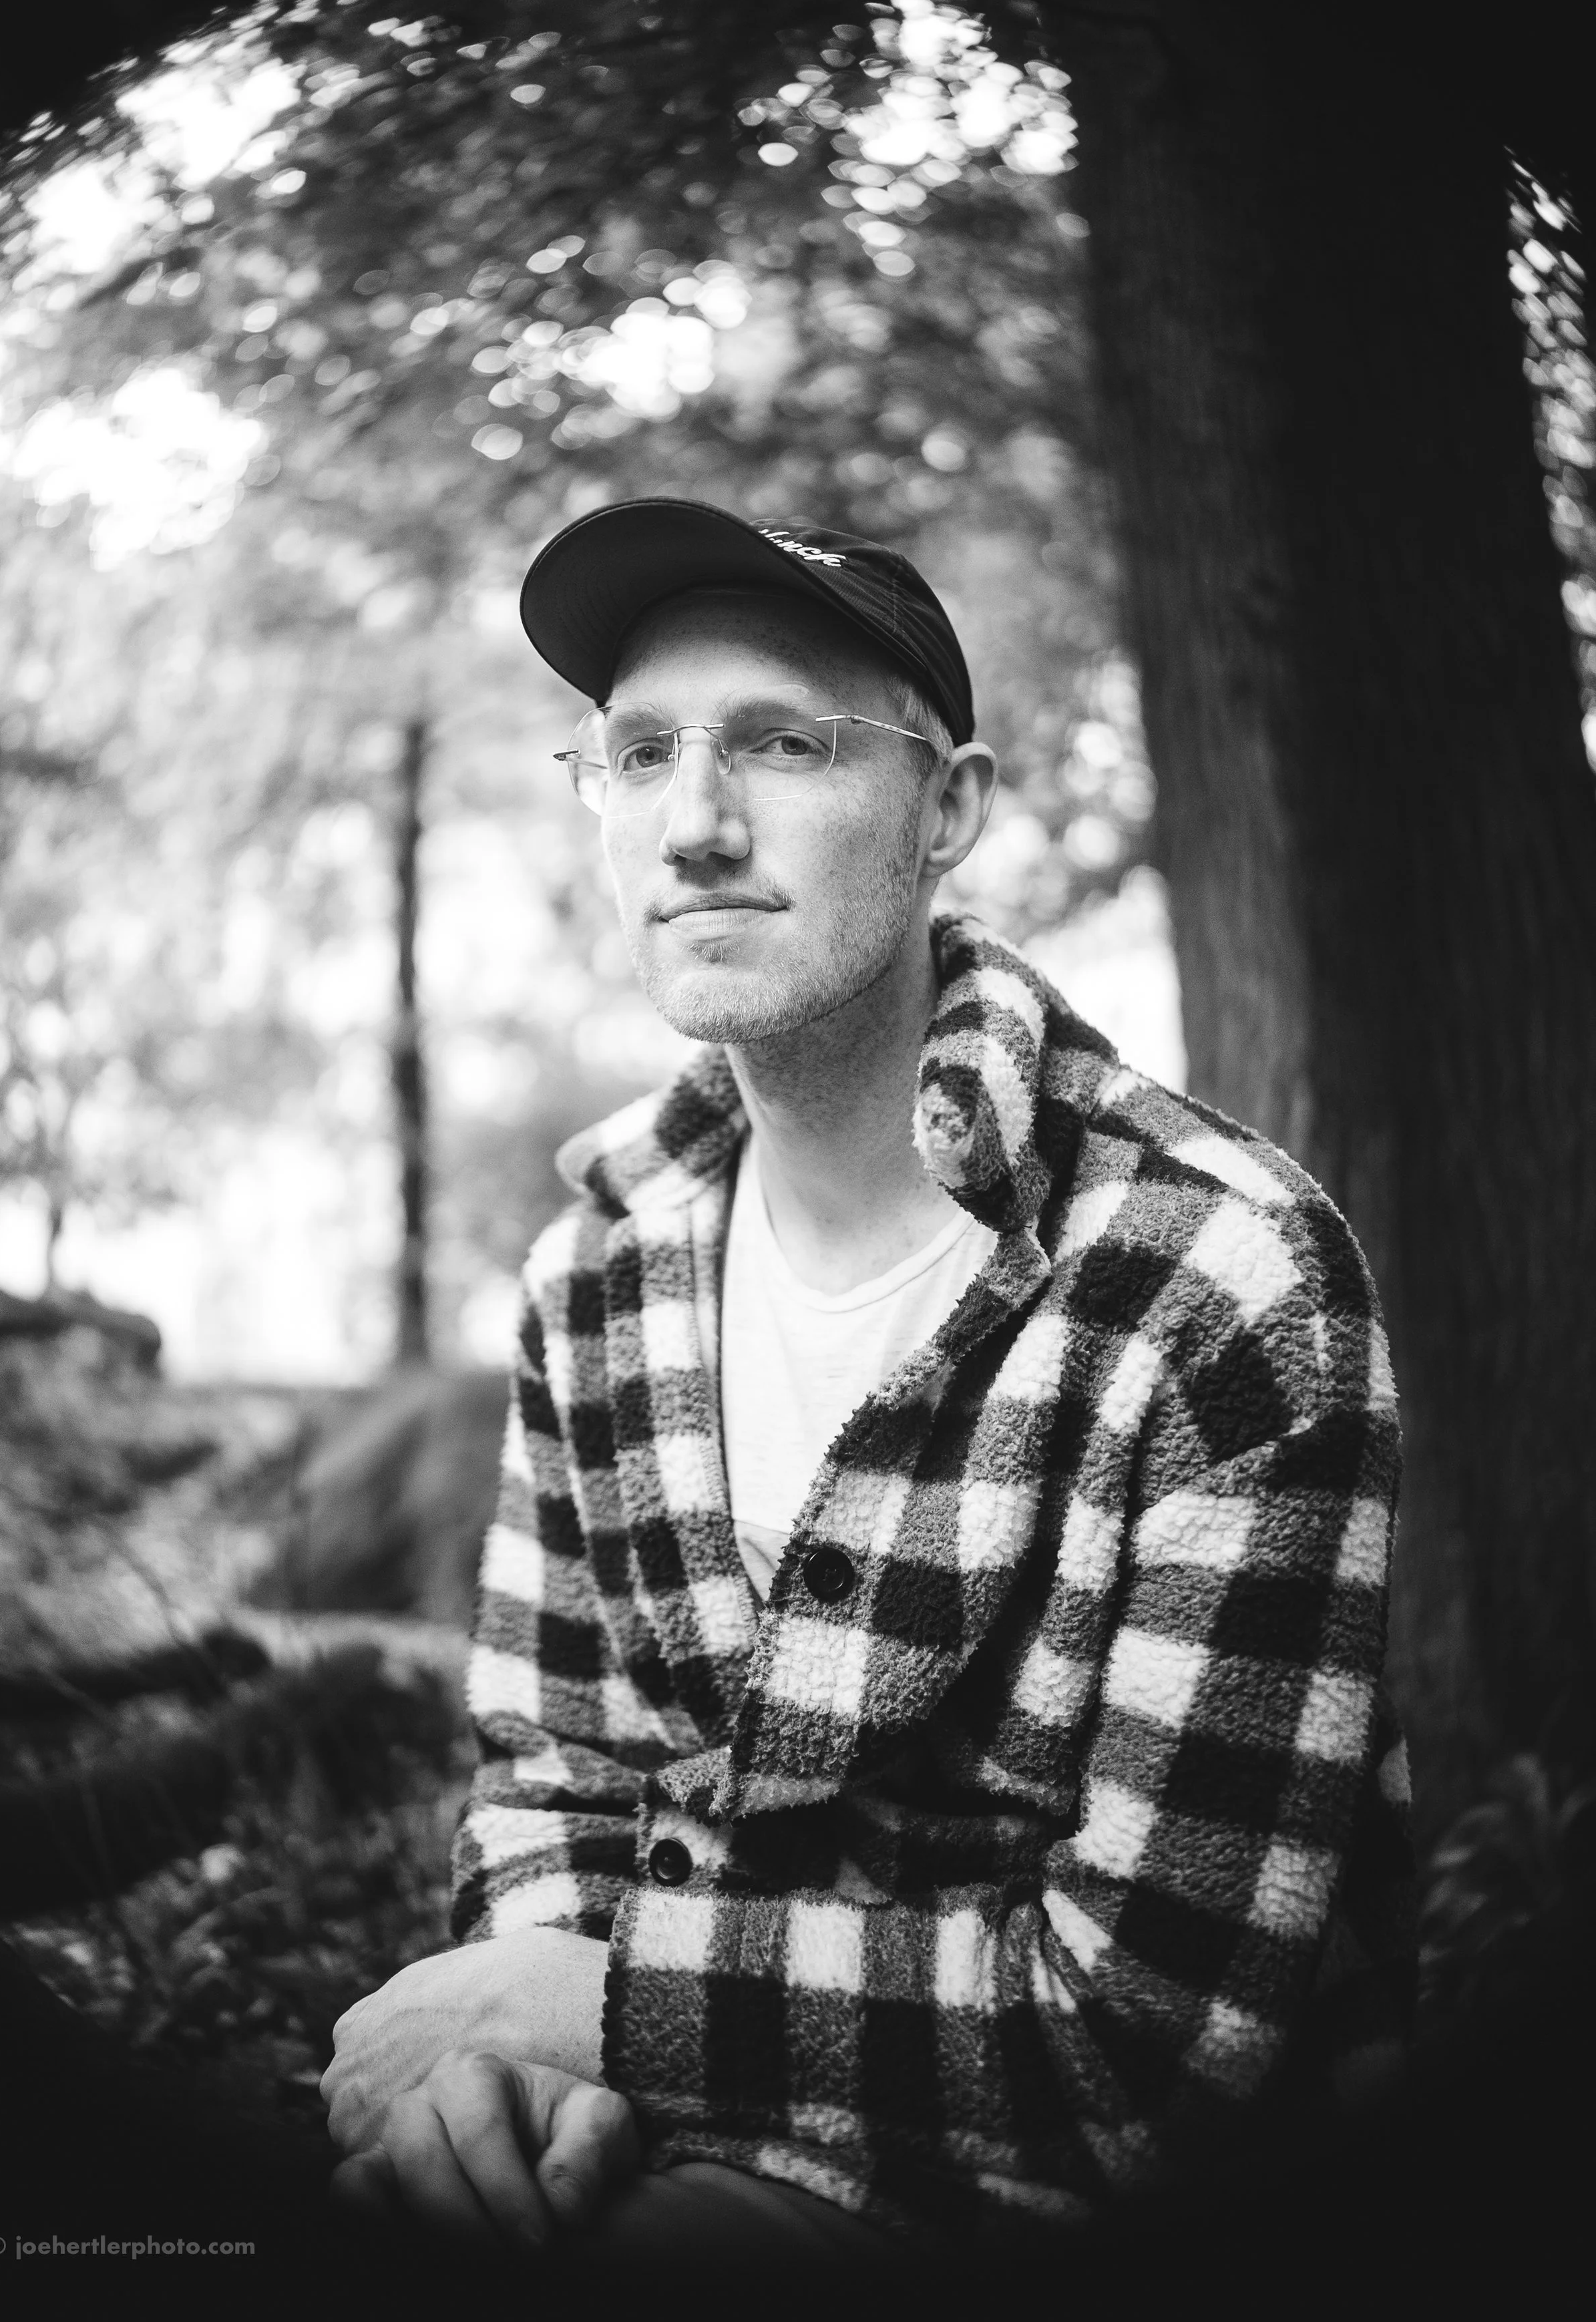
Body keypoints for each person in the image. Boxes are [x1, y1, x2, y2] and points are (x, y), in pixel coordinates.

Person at [321, 498, 1415, 2256]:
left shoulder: (1212, 1285)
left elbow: (1148, 2044)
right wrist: (522, 2057)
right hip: (673, 2137)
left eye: (784, 740)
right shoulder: (594, 1275)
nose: (695, 821)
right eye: (639, 752)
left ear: (948, 807)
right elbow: (553, 1768)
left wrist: (591, 2012)